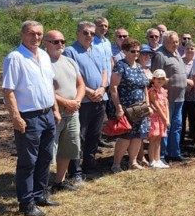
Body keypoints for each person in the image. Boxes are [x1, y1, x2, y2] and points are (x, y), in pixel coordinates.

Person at [3, 20, 61, 216]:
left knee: (45, 158)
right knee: (28, 161)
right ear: (22, 35)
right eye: (31, 33)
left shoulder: (44, 55)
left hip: (47, 114)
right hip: (28, 117)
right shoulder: (15, 58)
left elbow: (49, 86)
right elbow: (8, 91)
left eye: (39, 34)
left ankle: (40, 195)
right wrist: (16, 117)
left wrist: (55, 109)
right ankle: (26, 203)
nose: (35, 37)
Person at [63, 21, 108, 179]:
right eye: (85, 32)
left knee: (94, 135)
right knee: (78, 136)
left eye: (92, 33)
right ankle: (75, 170)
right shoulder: (70, 51)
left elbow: (104, 70)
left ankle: (89, 166)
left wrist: (102, 88)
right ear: (78, 33)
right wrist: (88, 92)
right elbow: (72, 76)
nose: (89, 35)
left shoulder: (97, 50)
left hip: (100, 98)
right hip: (82, 101)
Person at [46, 30, 85, 192]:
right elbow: (46, 89)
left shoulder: (69, 61)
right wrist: (66, 102)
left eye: (63, 41)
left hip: (72, 112)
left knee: (68, 147)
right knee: (48, 151)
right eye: (56, 41)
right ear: (46, 43)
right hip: (53, 113)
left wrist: (76, 101)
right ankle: (41, 185)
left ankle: (59, 182)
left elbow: (80, 84)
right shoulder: (43, 62)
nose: (60, 44)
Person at [110, 38, 151, 172]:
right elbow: (114, 87)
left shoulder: (139, 66)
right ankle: (116, 164)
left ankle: (133, 162)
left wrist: (148, 104)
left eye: (138, 51)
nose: (136, 54)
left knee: (138, 135)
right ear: (125, 51)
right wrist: (118, 107)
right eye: (133, 51)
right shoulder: (120, 66)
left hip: (140, 108)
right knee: (125, 136)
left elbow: (144, 87)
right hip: (126, 108)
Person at [151, 31, 189, 163]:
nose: (175, 44)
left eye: (177, 41)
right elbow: (155, 78)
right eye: (172, 42)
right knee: (165, 126)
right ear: (165, 41)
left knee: (177, 126)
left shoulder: (176, 53)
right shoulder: (160, 55)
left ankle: (174, 152)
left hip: (180, 97)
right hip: (166, 99)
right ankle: (161, 155)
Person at [147, 70, 170, 169]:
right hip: (155, 118)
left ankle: (157, 159)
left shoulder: (163, 91)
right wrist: (165, 119)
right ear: (153, 79)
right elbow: (157, 106)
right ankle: (152, 160)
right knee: (153, 139)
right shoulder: (152, 91)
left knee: (159, 139)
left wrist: (167, 118)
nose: (160, 81)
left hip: (162, 118)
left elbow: (166, 106)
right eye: (158, 79)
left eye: (162, 79)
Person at [180, 41, 195, 148]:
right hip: (181, 96)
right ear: (184, 50)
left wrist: (194, 83)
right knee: (181, 121)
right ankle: (180, 142)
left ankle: (193, 141)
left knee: (193, 120)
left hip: (193, 96)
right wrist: (187, 81)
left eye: (192, 49)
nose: (190, 51)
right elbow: (176, 75)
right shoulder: (180, 62)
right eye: (188, 49)